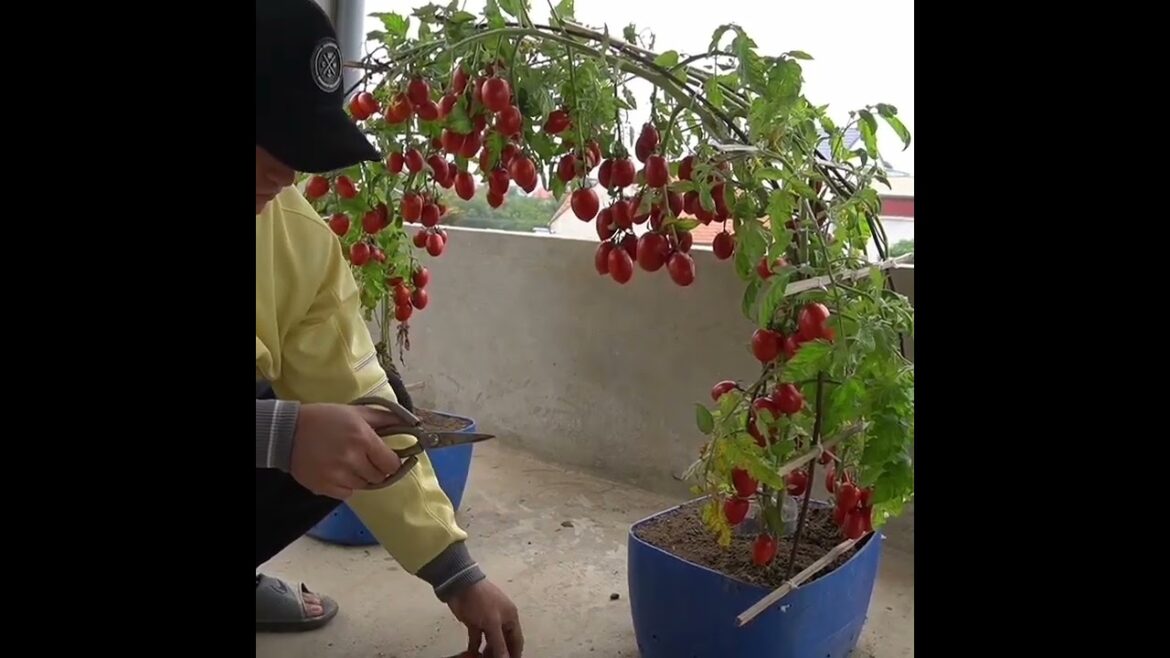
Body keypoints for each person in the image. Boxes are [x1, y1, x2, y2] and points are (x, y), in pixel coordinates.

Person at [254, 1, 523, 655]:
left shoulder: (294, 236)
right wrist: (275, 433)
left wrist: (455, 571)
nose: (284, 173)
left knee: (379, 425)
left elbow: (348, 386)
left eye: (298, 148)